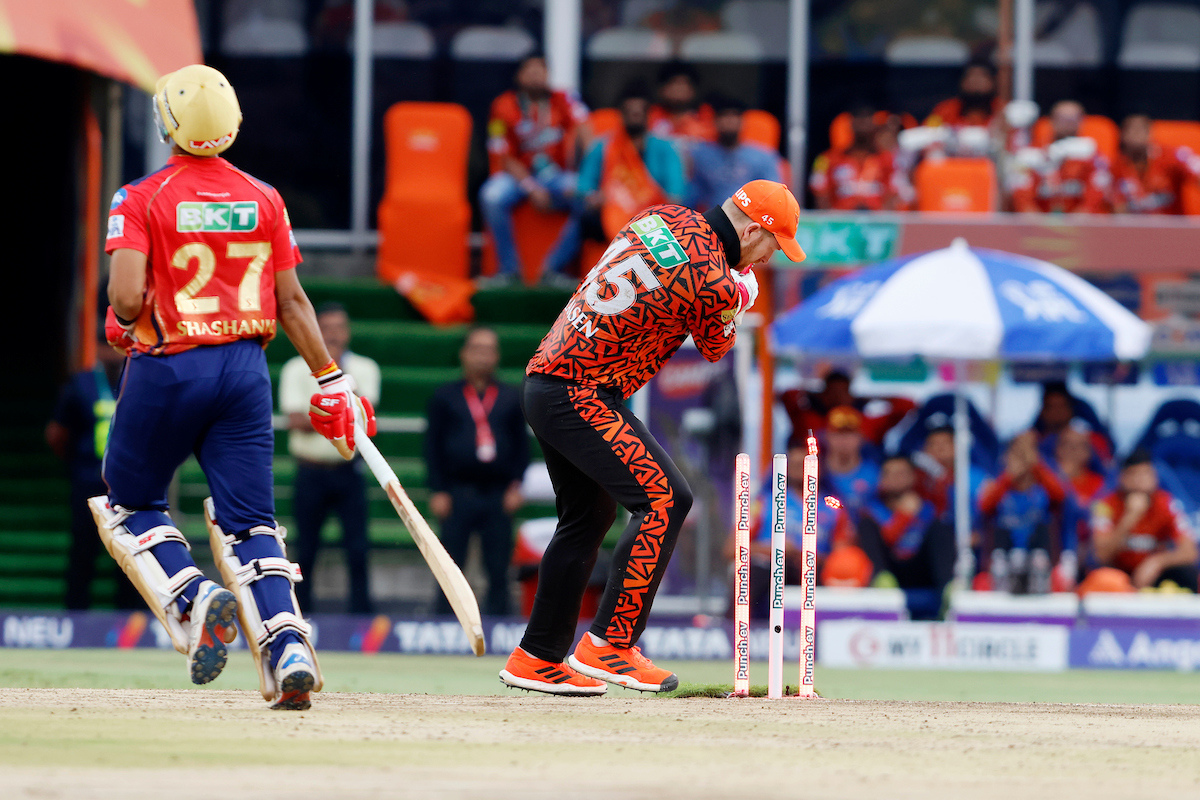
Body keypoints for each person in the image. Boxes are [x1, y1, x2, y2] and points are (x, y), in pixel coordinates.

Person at [100, 65, 375, 710]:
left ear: (166, 123)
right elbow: (293, 301)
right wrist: (330, 379)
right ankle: (288, 648)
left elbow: (125, 296)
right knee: (253, 523)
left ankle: (196, 597)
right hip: (245, 372)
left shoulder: (138, 197)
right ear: (233, 124)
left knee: (130, 502)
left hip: (169, 368)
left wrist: (123, 323)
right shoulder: (265, 198)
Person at [500, 179, 805, 696]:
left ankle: (538, 656)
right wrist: (740, 294)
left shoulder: (664, 216)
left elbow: (678, 275)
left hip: (551, 382)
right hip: (581, 392)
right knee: (666, 498)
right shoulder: (711, 277)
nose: (772, 258)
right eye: (773, 246)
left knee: (588, 518)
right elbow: (715, 346)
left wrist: (733, 284)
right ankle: (611, 646)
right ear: (753, 229)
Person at [278, 303, 381, 615]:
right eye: (326, 328)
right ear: (315, 331)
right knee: (305, 550)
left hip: (349, 471)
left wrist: (327, 406)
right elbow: (294, 421)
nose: (333, 335)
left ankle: (361, 617)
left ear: (348, 333)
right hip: (310, 470)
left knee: (358, 549)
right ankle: (299, 615)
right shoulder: (295, 368)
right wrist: (336, 415)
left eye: (339, 328)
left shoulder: (365, 368)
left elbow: (362, 418)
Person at [425, 326, 529, 617]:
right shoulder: (445, 396)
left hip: (497, 492)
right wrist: (438, 489)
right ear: (464, 354)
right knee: (450, 562)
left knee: (497, 563)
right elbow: (432, 446)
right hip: (457, 491)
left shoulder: (510, 396)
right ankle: (444, 620)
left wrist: (516, 485)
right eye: (477, 349)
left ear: (497, 356)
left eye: (489, 350)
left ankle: (499, 622)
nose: (483, 356)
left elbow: (521, 446)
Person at [480, 54, 590, 285]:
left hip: (556, 175)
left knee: (585, 194)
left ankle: (553, 269)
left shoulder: (565, 99)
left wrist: (590, 171)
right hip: (517, 177)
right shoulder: (503, 105)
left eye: (541, 69)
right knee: (491, 196)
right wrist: (531, 189)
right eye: (529, 70)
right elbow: (502, 155)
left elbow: (586, 130)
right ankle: (509, 272)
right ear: (518, 76)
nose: (536, 74)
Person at [45, 338, 138, 610]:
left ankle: (130, 618)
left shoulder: (138, 382)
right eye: (106, 347)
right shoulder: (81, 383)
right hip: (89, 483)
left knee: (131, 556)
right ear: (96, 349)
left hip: (128, 487)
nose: (112, 354)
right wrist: (76, 463)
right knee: (83, 552)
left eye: (117, 347)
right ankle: (75, 615)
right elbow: (57, 434)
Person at [722, 436, 860, 618]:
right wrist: (775, 550)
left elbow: (842, 558)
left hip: (813, 571)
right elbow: (731, 549)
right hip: (769, 568)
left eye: (802, 465)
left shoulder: (833, 506)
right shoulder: (764, 503)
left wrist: (806, 555)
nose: (798, 470)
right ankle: (736, 630)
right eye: (793, 465)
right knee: (752, 573)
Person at [577, 81, 687, 242]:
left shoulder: (665, 148)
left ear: (648, 115)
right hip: (611, 213)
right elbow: (584, 185)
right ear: (621, 114)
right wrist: (593, 197)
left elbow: (676, 190)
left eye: (639, 113)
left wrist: (664, 207)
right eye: (629, 112)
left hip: (654, 218)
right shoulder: (604, 146)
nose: (634, 116)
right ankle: (553, 266)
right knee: (579, 216)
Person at [977, 432, 1073, 594]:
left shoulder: (1042, 488)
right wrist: (1009, 476)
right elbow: (985, 505)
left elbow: (1060, 495)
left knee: (1043, 530)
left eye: (1024, 456)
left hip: (1037, 554)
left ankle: (1039, 573)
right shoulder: (1000, 485)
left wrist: (1035, 465)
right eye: (1015, 455)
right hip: (1005, 555)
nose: (1020, 461)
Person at [1090, 450, 1198, 592]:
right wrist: (1130, 517)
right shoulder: (1105, 505)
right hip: (1118, 573)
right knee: (1101, 577)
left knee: (1186, 575)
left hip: (1154, 574)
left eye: (1146, 474)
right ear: (1122, 478)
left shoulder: (1167, 504)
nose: (1140, 480)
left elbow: (1190, 552)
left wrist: (1156, 562)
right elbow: (1101, 556)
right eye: (1134, 474)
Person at [856, 455, 956, 595]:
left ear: (912, 477)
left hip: (922, 569)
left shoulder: (927, 510)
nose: (896, 478)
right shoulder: (872, 512)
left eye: (901, 473)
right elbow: (886, 541)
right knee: (866, 526)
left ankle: (948, 589)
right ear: (881, 480)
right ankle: (882, 583)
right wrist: (904, 516)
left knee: (940, 528)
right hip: (890, 568)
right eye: (889, 474)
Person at [1010, 100, 1111, 213]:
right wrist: (1041, 225)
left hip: (1082, 225)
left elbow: (1096, 193)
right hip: (1040, 223)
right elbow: (1022, 199)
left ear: (1082, 121)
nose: (1068, 123)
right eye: (1063, 119)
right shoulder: (1031, 154)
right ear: (1051, 120)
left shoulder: (1092, 153)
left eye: (1073, 119)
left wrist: (1074, 224)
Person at [688, 96, 784, 212]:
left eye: (734, 116)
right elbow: (692, 194)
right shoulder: (701, 155)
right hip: (712, 219)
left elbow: (773, 196)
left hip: (751, 218)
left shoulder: (763, 156)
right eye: (723, 116)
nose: (729, 121)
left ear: (743, 122)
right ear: (714, 121)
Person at [780, 369, 915, 447]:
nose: (837, 397)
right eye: (832, 392)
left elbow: (907, 405)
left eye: (843, 392)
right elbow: (787, 396)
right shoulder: (808, 421)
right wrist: (814, 394)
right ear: (823, 394)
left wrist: (870, 397)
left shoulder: (866, 423)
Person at [810, 105, 902, 211]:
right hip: (840, 223)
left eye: (866, 123)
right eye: (859, 122)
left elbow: (894, 195)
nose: (862, 128)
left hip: (875, 223)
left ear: (874, 126)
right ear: (850, 124)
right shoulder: (827, 159)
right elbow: (820, 195)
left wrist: (883, 221)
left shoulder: (888, 160)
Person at [1109, 113, 1200, 214]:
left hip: (1171, 225)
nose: (1135, 135)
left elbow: (1196, 172)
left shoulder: (1172, 156)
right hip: (1136, 227)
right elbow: (1117, 210)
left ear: (1150, 133)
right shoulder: (1116, 166)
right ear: (1122, 135)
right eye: (1130, 131)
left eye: (1140, 131)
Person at [648, 61, 716, 163]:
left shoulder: (706, 118)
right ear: (661, 89)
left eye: (684, 83)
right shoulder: (650, 117)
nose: (679, 88)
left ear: (694, 90)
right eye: (673, 82)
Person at [821, 406, 880, 515]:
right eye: (838, 433)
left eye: (850, 433)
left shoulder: (876, 474)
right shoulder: (816, 472)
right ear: (826, 436)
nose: (844, 440)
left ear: (861, 437)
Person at [925, 59, 1003, 130]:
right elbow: (928, 135)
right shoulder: (945, 110)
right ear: (962, 82)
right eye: (971, 76)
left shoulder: (1003, 110)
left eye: (982, 76)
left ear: (993, 81)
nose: (975, 81)